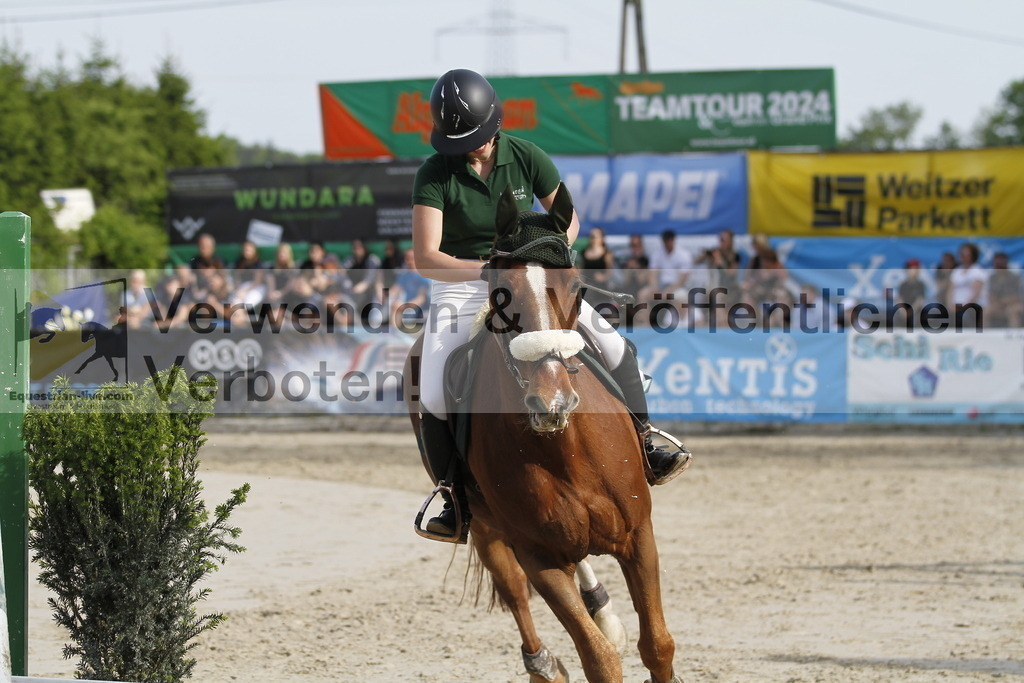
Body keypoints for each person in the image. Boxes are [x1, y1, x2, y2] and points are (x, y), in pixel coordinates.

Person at [411, 68, 689, 542]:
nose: (470, 147)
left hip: (530, 277)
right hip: (465, 286)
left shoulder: (526, 154)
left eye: (476, 138)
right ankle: (452, 495)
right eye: (459, 141)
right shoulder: (434, 173)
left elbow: (570, 220)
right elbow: (426, 256)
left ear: (495, 123)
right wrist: (487, 270)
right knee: (433, 384)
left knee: (614, 345)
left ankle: (646, 443)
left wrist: (542, 255)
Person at [947, 242, 987, 328]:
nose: (963, 256)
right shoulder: (956, 271)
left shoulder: (977, 271)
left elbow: (976, 294)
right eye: (962, 254)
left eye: (966, 254)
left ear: (972, 256)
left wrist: (963, 306)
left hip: (972, 305)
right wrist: (950, 305)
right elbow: (950, 291)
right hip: (956, 305)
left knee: (965, 314)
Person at [986, 252, 1021, 328]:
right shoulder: (992, 278)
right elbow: (991, 295)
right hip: (998, 304)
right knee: (986, 311)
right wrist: (996, 302)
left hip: (1013, 304)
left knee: (1012, 311)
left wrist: (1003, 301)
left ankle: (1014, 335)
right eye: (997, 264)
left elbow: (1017, 296)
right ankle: (985, 336)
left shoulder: (1014, 277)